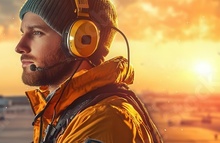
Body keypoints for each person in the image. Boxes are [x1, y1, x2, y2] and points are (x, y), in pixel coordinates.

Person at [15, 0, 163, 142]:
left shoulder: (104, 121)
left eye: (37, 33)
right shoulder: (65, 114)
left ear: (82, 41)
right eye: (23, 34)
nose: (20, 47)